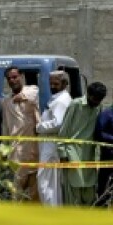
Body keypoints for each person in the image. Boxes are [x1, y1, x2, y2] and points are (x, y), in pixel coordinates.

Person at [56, 82, 106, 206]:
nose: (97, 102)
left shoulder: (98, 107)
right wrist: (62, 154)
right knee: (74, 191)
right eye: (95, 99)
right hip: (72, 152)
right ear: (88, 95)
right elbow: (64, 130)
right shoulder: (76, 104)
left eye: (99, 100)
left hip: (90, 154)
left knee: (89, 192)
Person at [0, 66, 41, 201]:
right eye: (9, 78)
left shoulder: (32, 90)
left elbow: (33, 95)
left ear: (21, 76)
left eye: (15, 77)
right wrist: (4, 147)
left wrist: (22, 96)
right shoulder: (6, 101)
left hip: (34, 147)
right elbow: (5, 126)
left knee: (35, 186)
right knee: (18, 186)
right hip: (17, 149)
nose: (12, 80)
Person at [36, 70, 73, 206]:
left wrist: (39, 127)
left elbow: (58, 123)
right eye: (51, 83)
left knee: (46, 182)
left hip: (52, 144)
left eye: (56, 84)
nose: (52, 86)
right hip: (48, 143)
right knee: (51, 182)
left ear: (64, 84)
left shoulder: (61, 101)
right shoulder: (58, 98)